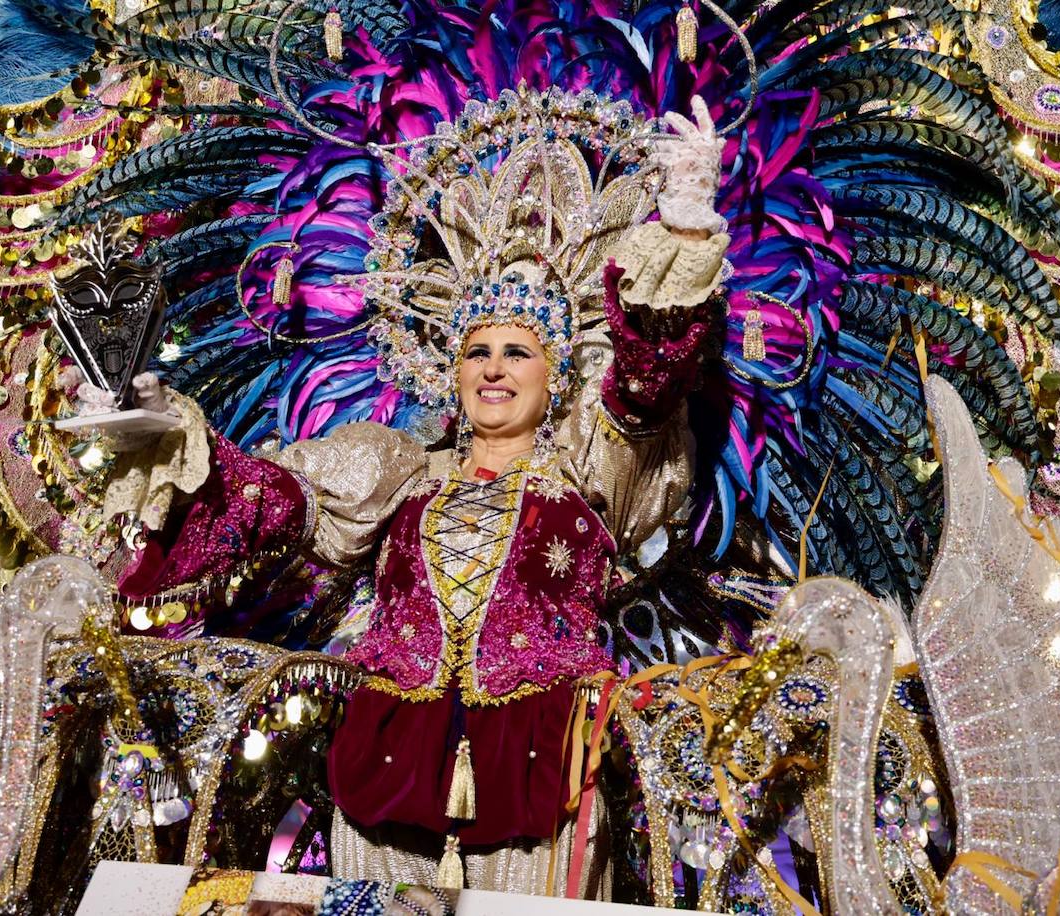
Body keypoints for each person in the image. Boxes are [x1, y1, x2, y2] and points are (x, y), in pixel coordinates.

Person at [77, 96, 733, 896]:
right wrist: (170, 438)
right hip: (386, 763)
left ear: (557, 372)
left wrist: (686, 227)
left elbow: (647, 387)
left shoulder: (596, 470)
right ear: (451, 373)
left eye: (518, 352)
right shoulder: (396, 468)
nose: (494, 368)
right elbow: (266, 496)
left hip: (544, 763)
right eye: (478, 351)